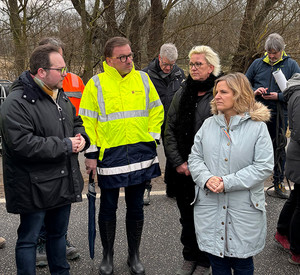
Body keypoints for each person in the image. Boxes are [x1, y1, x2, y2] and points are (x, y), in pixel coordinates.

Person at [0, 44, 90, 275]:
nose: (65, 74)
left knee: (58, 235)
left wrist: (82, 139)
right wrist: (66, 145)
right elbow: (22, 144)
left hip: (61, 180)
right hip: (33, 185)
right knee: (29, 239)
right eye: (60, 69)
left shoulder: (59, 94)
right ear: (41, 71)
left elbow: (75, 121)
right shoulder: (17, 102)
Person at [79, 36, 164, 275]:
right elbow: (87, 121)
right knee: (108, 207)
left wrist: (152, 137)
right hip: (110, 155)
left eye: (131, 55)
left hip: (140, 152)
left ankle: (133, 255)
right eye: (123, 57)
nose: (129, 60)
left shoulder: (144, 79)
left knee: (136, 206)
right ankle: (107, 256)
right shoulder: (95, 84)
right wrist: (91, 153)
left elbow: (157, 110)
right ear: (109, 60)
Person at [188, 72, 274, 275]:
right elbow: (195, 158)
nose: (216, 96)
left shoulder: (257, 128)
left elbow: (263, 166)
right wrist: (207, 178)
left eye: (223, 92)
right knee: (217, 264)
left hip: (243, 210)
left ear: (239, 95)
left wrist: (227, 182)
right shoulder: (208, 125)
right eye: (216, 92)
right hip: (211, 207)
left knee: (243, 264)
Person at [164, 45, 221, 275]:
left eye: (199, 64)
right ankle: (190, 256)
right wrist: (178, 162)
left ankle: (205, 260)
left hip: (210, 169)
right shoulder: (183, 90)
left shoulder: (220, 91)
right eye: (191, 64)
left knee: (208, 218)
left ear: (211, 67)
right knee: (187, 218)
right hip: (183, 170)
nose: (194, 68)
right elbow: (169, 128)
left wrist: (204, 170)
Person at [35, 37, 85, 266]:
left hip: (69, 149)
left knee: (62, 202)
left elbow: (79, 113)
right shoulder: (35, 87)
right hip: (50, 151)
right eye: (58, 63)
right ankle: (41, 241)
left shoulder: (73, 81)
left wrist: (81, 136)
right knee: (45, 200)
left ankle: (59, 239)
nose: (63, 68)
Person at [246, 33, 300, 199]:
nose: (271, 56)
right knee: (253, 149)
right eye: (268, 53)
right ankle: (250, 183)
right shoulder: (257, 64)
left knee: (279, 149)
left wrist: (278, 96)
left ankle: (278, 182)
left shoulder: (291, 65)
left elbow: (297, 91)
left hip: (280, 115)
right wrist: (255, 92)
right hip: (257, 113)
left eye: (274, 53)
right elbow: (244, 85)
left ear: (281, 51)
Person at [143, 43, 185, 204]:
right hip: (150, 122)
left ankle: (172, 187)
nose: (168, 68)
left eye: (171, 65)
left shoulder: (179, 74)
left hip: (172, 121)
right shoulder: (145, 75)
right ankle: (145, 189)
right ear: (159, 58)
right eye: (166, 64)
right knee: (148, 156)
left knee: (174, 153)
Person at [275, 73, 300, 265]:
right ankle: (297, 250)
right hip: (298, 155)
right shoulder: (299, 95)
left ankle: (282, 231)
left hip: (297, 154)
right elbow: (298, 131)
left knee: (296, 198)